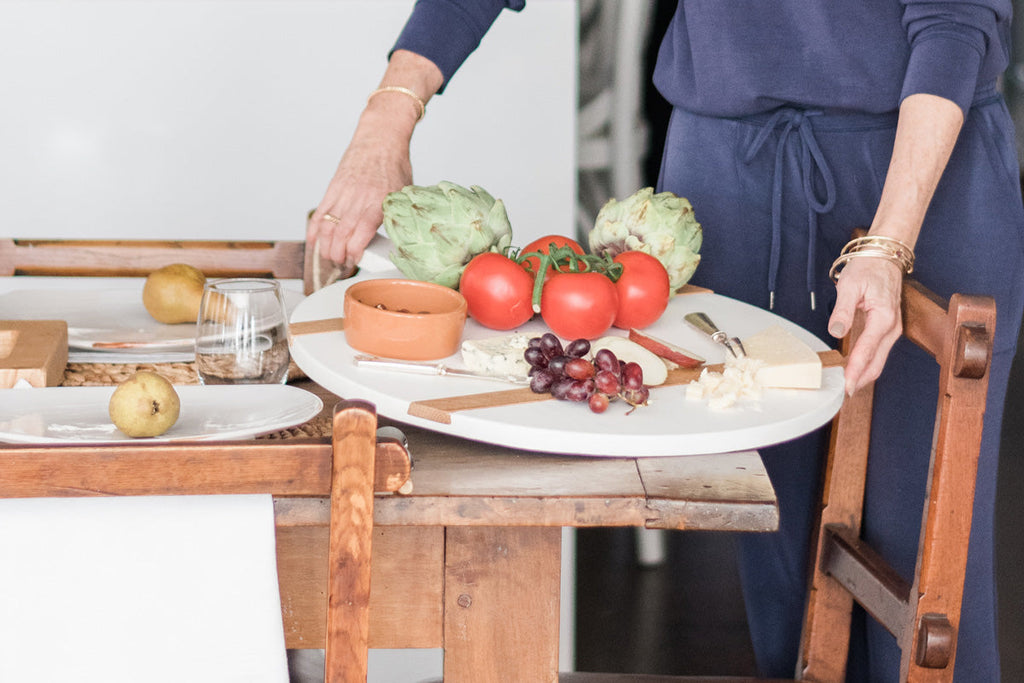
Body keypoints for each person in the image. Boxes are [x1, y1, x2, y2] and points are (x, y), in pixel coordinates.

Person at [307, 2, 1024, 680]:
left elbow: (957, 19)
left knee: (922, 601)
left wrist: (888, 242)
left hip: (920, 180)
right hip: (734, 180)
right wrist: (387, 118)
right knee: (794, 604)